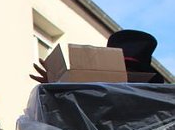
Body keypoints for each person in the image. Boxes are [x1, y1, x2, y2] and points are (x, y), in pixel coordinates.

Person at [30, 29, 165, 84]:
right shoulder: (92, 98)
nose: (124, 80)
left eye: (130, 73)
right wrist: (55, 90)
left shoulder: (157, 109)